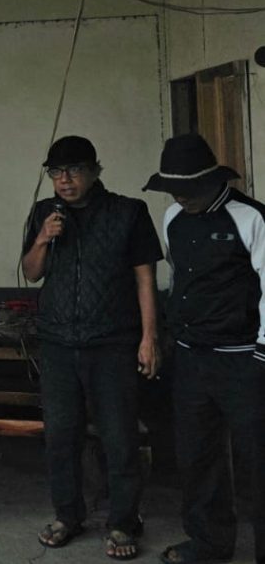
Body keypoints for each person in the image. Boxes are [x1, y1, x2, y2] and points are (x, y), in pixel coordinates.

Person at [21, 135, 163, 560]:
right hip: (58, 342)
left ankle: (123, 522)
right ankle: (68, 514)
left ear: (96, 170)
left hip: (113, 343)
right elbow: (31, 273)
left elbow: (145, 279)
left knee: (119, 437)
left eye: (75, 170)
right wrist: (43, 237)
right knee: (61, 436)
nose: (65, 180)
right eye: (56, 172)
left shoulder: (128, 212)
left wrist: (149, 337)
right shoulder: (45, 213)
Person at [143, 133, 265, 564]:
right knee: (197, 455)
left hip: (245, 358)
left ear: (214, 180)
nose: (180, 196)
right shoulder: (174, 217)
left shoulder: (251, 218)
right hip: (191, 356)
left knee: (257, 459)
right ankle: (210, 542)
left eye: (189, 187)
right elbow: (180, 280)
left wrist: (263, 353)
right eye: (174, 188)